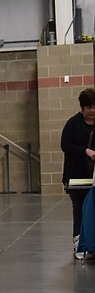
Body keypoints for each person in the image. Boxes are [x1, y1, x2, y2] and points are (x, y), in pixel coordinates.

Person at [61, 88, 95, 254]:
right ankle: (79, 241)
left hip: (93, 175)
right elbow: (65, 145)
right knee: (80, 207)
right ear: (82, 108)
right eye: (89, 107)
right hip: (76, 175)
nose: (92, 111)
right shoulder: (73, 123)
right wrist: (86, 151)